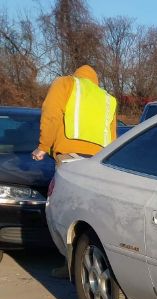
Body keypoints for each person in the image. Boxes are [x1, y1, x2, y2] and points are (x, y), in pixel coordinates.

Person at [31, 65, 117, 277]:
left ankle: (70, 265)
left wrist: (43, 146)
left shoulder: (65, 83)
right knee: (90, 215)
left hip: (70, 160)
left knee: (58, 212)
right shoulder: (108, 99)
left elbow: (50, 114)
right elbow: (113, 135)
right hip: (99, 162)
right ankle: (82, 266)